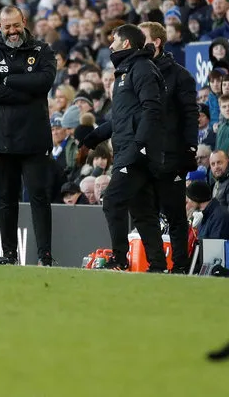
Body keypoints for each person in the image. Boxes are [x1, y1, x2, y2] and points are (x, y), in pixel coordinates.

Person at [82, 24, 166, 271]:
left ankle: (119, 259)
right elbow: (122, 119)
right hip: (128, 149)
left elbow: (152, 110)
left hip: (136, 152)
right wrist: (94, 137)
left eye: (114, 41)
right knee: (143, 212)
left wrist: (139, 147)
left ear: (126, 44)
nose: (110, 45)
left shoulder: (142, 69)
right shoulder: (125, 71)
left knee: (112, 201)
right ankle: (158, 266)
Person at [0, 5, 57, 266]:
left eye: (16, 25)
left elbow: (44, 82)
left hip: (34, 138)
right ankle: (10, 254)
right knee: (5, 199)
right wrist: (27, 89)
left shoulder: (42, 50)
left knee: (39, 197)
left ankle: (45, 256)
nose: (12, 31)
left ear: (24, 21)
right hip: (2, 138)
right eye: (7, 26)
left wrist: (9, 80)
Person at [138, 22, 199, 274]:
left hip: (171, 155)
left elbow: (190, 114)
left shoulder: (180, 75)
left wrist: (189, 151)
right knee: (147, 214)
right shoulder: (136, 71)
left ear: (157, 42)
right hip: (143, 157)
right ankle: (156, 264)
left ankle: (181, 267)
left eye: (142, 38)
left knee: (175, 215)